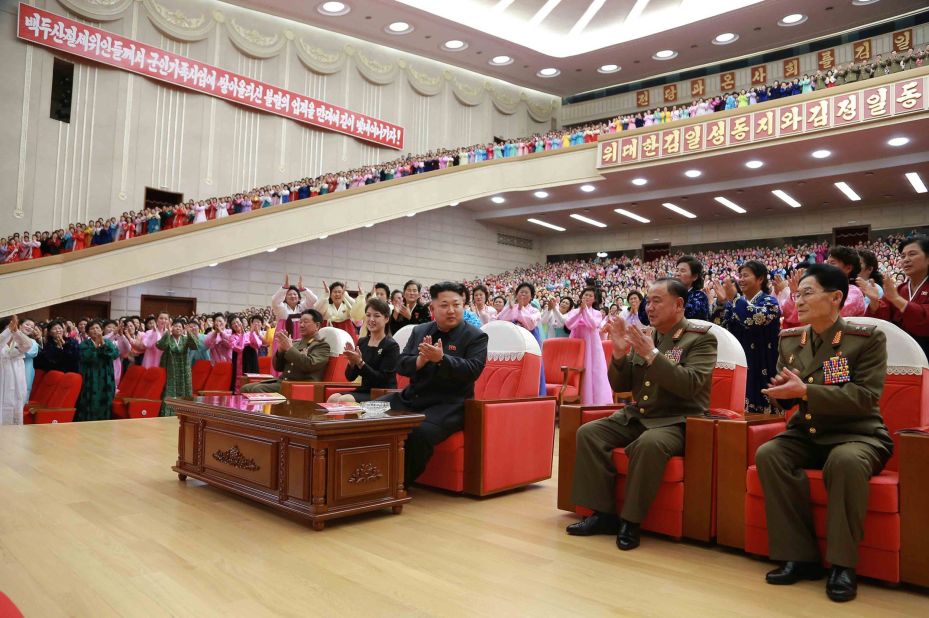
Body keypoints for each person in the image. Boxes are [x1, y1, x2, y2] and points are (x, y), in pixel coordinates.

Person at [756, 264, 892, 603]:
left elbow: (866, 398)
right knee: (769, 454)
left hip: (857, 434)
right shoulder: (791, 340)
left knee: (845, 461)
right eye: (797, 293)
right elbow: (792, 399)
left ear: (835, 298)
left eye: (807, 293)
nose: (798, 300)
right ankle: (799, 557)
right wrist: (782, 393)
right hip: (809, 432)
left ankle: (843, 565)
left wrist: (804, 392)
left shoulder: (866, 339)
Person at [567, 279, 717, 550]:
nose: (650, 306)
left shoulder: (701, 338)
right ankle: (603, 514)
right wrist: (620, 355)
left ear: (679, 304)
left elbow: (691, 384)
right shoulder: (645, 335)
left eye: (657, 301)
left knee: (649, 444)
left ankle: (630, 521)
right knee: (589, 433)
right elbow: (622, 386)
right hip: (640, 415)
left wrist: (652, 355)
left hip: (678, 419)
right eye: (648, 301)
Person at [377, 282, 488, 485]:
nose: (452, 310)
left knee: (419, 432)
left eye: (457, 304)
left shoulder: (476, 336)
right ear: (432, 308)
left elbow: (473, 369)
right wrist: (419, 361)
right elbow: (400, 364)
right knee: (369, 412)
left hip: (449, 405)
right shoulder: (420, 330)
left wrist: (442, 359)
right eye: (444, 305)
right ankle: (361, 475)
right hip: (413, 398)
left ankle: (395, 485)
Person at [711, 261, 781, 413]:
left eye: (746, 275)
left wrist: (734, 299)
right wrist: (723, 303)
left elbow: (755, 318)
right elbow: (720, 326)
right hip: (741, 362)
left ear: (760, 279)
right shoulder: (735, 304)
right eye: (740, 275)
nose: (741, 279)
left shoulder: (770, 302)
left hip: (763, 363)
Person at [862, 234, 929, 359]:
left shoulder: (895, 293)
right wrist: (874, 302)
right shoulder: (900, 289)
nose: (906, 259)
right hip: (901, 353)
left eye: (912, 254)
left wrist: (897, 300)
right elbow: (883, 318)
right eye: (903, 256)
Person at [241, 309, 330, 393]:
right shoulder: (295, 343)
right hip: (284, 382)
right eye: (300, 322)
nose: (301, 325)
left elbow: (309, 364)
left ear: (317, 325)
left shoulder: (321, 345)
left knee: (257, 389)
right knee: (246, 388)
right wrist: (280, 351)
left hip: (301, 385)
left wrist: (289, 348)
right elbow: (278, 367)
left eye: (306, 322)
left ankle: (260, 410)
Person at [781, 246, 866, 328]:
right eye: (827, 263)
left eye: (832, 263)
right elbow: (789, 316)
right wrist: (796, 293)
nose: (826, 267)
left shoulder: (855, 293)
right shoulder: (818, 287)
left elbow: (827, 317)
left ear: (848, 268)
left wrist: (799, 293)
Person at [335, 298, 399, 402]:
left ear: (386, 318)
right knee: (333, 398)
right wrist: (352, 362)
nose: (371, 319)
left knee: (345, 400)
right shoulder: (362, 342)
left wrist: (360, 362)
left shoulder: (391, 346)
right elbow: (350, 377)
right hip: (364, 390)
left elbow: (382, 380)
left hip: (383, 393)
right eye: (368, 315)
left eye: (376, 316)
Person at [564, 287, 613, 405]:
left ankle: (593, 401)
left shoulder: (596, 313)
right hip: (576, 340)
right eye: (585, 294)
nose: (587, 297)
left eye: (590, 296)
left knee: (591, 367)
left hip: (591, 343)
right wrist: (580, 312)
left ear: (594, 299)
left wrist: (584, 310)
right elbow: (569, 324)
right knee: (575, 366)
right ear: (581, 297)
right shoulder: (574, 311)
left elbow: (592, 324)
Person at [496, 282, 545, 396]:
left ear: (531, 296)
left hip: (530, 341)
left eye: (526, 292)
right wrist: (511, 308)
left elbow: (530, 324)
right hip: (512, 342)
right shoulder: (509, 307)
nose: (523, 294)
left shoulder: (534, 311)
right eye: (521, 292)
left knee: (530, 369)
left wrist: (520, 309)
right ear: (516, 294)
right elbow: (500, 319)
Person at [639, 256, 710, 324]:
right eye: (677, 270)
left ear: (694, 277)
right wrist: (654, 290)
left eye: (682, 271)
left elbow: (685, 315)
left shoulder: (699, 297)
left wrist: (661, 290)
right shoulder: (670, 294)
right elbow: (644, 317)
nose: (677, 274)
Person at [270, 275, 317, 375]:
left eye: (295, 294)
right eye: (289, 294)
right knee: (283, 357)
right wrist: (284, 288)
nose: (292, 296)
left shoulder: (302, 308)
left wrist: (303, 289)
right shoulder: (281, 309)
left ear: (299, 297)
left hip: (300, 336)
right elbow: (275, 301)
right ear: (285, 297)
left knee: (299, 356)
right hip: (285, 336)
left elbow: (313, 300)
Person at [75, 320, 119, 422]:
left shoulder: (108, 342)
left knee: (106, 401)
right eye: (92, 328)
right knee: (90, 401)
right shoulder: (84, 344)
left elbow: (114, 354)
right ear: (88, 332)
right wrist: (96, 346)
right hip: (90, 378)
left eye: (98, 328)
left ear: (102, 330)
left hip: (106, 378)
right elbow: (86, 357)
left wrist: (103, 344)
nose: (95, 330)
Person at [156, 318, 200, 416]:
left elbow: (195, 346)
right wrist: (167, 332)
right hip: (170, 370)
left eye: (180, 327)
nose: (178, 328)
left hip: (184, 369)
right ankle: (168, 414)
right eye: (176, 326)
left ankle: (185, 413)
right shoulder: (168, 338)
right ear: (172, 328)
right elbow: (160, 346)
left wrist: (189, 333)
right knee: (169, 390)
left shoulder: (185, 339)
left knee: (185, 391)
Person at [1, 316, 34, 425]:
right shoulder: (2, 345)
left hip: (17, 387)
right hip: (3, 385)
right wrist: (8, 331)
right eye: (9, 328)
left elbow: (28, 344)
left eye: (13, 328)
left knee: (16, 412)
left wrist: (16, 332)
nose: (11, 331)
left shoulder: (18, 345)